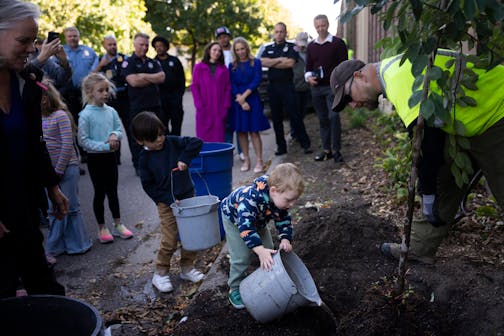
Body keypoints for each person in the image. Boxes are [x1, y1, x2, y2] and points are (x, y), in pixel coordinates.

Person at [330, 51, 504, 264]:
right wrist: (431, 189)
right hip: (474, 119)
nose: (353, 105)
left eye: (348, 97)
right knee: (444, 173)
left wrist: (427, 192)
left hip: (497, 108)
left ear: (359, 76)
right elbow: (432, 138)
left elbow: (426, 144)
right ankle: (420, 247)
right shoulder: (394, 70)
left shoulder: (398, 80)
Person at [0, 0, 68, 298]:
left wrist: (52, 186)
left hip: (23, 204)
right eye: (24, 40)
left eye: (34, 40)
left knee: (44, 286)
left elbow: (33, 141)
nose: (32, 49)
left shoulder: (26, 82)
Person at [130, 111, 205, 293]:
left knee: (191, 235)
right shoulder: (145, 159)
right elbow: (149, 187)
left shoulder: (172, 142)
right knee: (170, 239)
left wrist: (184, 158)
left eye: (161, 134)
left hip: (188, 196)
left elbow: (196, 142)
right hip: (166, 204)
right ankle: (161, 273)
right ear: (141, 141)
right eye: (154, 138)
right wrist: (169, 200)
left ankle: (187, 268)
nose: (160, 140)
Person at [220, 163, 305, 309]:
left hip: (258, 220)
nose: (292, 204)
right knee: (242, 256)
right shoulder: (250, 200)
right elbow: (246, 228)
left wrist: (285, 238)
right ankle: (234, 287)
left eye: (294, 200)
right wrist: (259, 250)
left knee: (269, 249)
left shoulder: (280, 199)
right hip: (235, 220)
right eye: (289, 200)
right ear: (273, 191)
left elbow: (283, 220)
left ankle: (267, 278)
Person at [78, 73, 133, 244]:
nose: (105, 93)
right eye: (100, 90)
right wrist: (105, 146)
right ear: (89, 92)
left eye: (106, 90)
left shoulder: (111, 111)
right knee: (100, 193)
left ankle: (118, 224)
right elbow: (83, 141)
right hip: (96, 160)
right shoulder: (85, 115)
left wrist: (114, 136)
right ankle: (101, 227)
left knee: (113, 192)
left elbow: (118, 129)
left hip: (111, 158)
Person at [41, 79, 92, 264]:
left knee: (69, 207)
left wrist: (59, 170)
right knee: (53, 208)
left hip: (66, 168)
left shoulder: (60, 115)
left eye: (41, 98)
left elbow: (66, 145)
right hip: (49, 173)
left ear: (47, 97)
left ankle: (68, 245)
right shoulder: (36, 117)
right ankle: (65, 245)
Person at [260, 22, 312, 156]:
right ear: (273, 33)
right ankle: (281, 147)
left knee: (295, 116)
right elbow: (262, 62)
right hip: (273, 87)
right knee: (276, 119)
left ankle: (305, 144)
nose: (278, 34)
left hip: (287, 86)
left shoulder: (291, 47)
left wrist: (273, 62)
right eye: (276, 31)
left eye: (281, 31)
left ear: (285, 33)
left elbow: (290, 63)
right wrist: (279, 59)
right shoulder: (268, 48)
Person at [305, 14, 348, 163]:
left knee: (334, 117)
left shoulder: (337, 43)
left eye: (322, 25)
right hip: (316, 88)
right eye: (317, 26)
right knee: (322, 119)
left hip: (333, 87)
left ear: (328, 24)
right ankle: (326, 150)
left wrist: (341, 84)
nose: (320, 29)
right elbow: (308, 67)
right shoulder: (311, 46)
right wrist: (309, 77)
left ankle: (336, 150)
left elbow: (345, 65)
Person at [122, 32, 165, 174]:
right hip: (137, 106)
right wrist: (151, 78)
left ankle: (156, 164)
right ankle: (139, 166)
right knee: (138, 138)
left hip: (154, 105)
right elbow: (133, 81)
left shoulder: (153, 62)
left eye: (147, 45)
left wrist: (143, 76)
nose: (145, 47)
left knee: (156, 135)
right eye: (141, 44)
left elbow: (161, 77)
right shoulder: (128, 62)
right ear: (134, 45)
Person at [229, 37, 270, 173]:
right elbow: (232, 84)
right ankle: (246, 159)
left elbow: (256, 80)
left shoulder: (255, 62)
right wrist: (240, 99)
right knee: (241, 131)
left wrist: (244, 98)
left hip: (252, 100)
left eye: (242, 48)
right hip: (238, 101)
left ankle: (259, 160)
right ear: (235, 51)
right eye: (237, 50)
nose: (240, 52)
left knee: (254, 131)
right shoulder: (232, 65)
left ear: (247, 48)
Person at [63, 27, 99, 164]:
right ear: (65, 38)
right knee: (74, 124)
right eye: (70, 36)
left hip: (86, 92)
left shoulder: (88, 52)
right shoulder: (60, 53)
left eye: (75, 36)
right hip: (69, 94)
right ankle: (80, 152)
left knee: (89, 121)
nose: (73, 38)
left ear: (79, 36)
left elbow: (95, 69)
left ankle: (91, 149)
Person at [94, 34, 129, 164]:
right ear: (104, 46)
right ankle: (115, 158)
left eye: (114, 44)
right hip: (109, 100)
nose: (113, 47)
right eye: (110, 44)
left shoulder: (124, 58)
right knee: (112, 130)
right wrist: (101, 65)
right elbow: (90, 77)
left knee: (130, 129)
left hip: (125, 99)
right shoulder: (99, 60)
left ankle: (137, 161)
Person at [191, 42, 231, 142]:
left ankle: (218, 158)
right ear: (209, 51)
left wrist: (225, 106)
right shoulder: (199, 67)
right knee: (204, 139)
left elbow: (227, 88)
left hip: (219, 109)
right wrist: (199, 105)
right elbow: (194, 86)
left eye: (219, 51)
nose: (217, 52)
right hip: (204, 108)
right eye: (214, 50)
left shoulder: (224, 69)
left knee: (219, 139)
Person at [215, 26, 244, 160]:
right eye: (220, 37)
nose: (223, 39)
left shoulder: (235, 52)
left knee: (239, 121)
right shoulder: (216, 53)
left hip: (236, 91)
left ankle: (242, 151)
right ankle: (228, 151)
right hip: (222, 93)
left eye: (225, 36)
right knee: (226, 124)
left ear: (229, 37)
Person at [152, 35, 186, 135]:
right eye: (156, 46)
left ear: (166, 47)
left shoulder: (175, 61)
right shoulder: (153, 63)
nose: (159, 48)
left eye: (161, 46)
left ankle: (177, 148)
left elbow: (182, 79)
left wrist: (179, 95)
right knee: (162, 128)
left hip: (175, 100)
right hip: (160, 102)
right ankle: (167, 149)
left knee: (176, 128)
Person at [293, 32, 311, 138]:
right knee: (296, 113)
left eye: (304, 44)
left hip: (305, 86)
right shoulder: (292, 52)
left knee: (302, 112)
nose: (302, 46)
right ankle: (295, 133)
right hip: (294, 86)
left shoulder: (309, 52)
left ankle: (297, 131)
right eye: (300, 44)